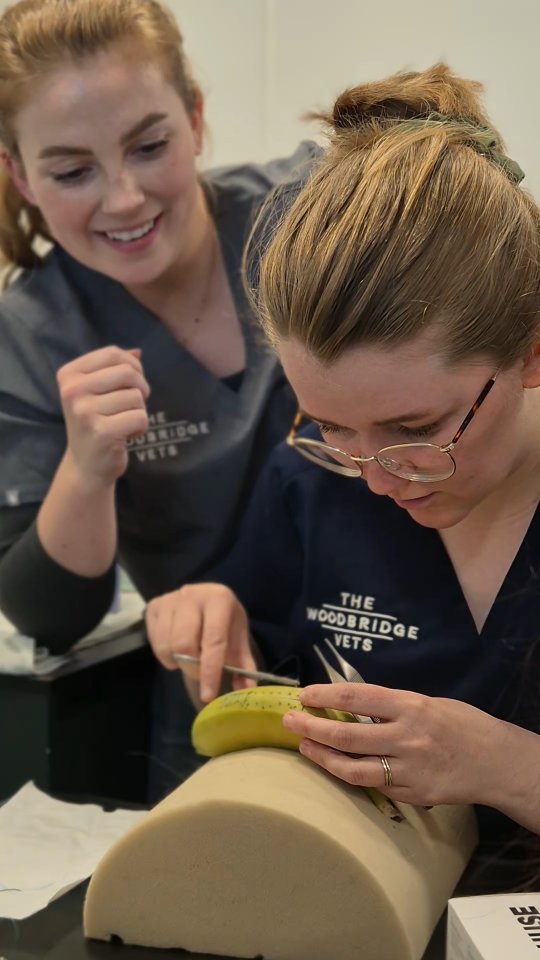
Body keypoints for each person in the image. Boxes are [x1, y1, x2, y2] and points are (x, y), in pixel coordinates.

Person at [146, 64, 540, 889]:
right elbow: (249, 678)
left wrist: (508, 767)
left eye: (416, 430)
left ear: (532, 353)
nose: (375, 479)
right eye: (330, 425)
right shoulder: (312, 481)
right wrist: (210, 614)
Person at [0, 0, 317, 793]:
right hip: (217, 704)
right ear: (19, 176)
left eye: (149, 147)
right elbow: (50, 617)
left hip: (416, 664)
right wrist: (86, 468)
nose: (124, 199)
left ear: (197, 117)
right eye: (73, 172)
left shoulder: (313, 219)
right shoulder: (35, 334)